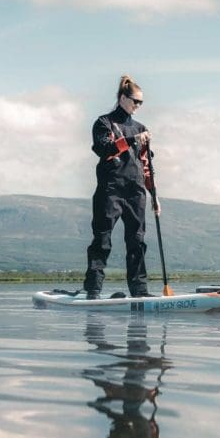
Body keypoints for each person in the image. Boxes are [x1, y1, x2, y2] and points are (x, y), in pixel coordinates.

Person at [82, 75, 159, 300]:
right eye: (136, 101)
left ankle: (140, 290)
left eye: (141, 103)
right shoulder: (104, 123)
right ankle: (93, 290)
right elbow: (104, 150)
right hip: (110, 190)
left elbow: (146, 165)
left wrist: (154, 195)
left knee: (137, 242)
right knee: (102, 240)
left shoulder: (141, 127)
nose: (138, 106)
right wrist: (134, 140)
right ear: (123, 98)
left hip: (135, 192)